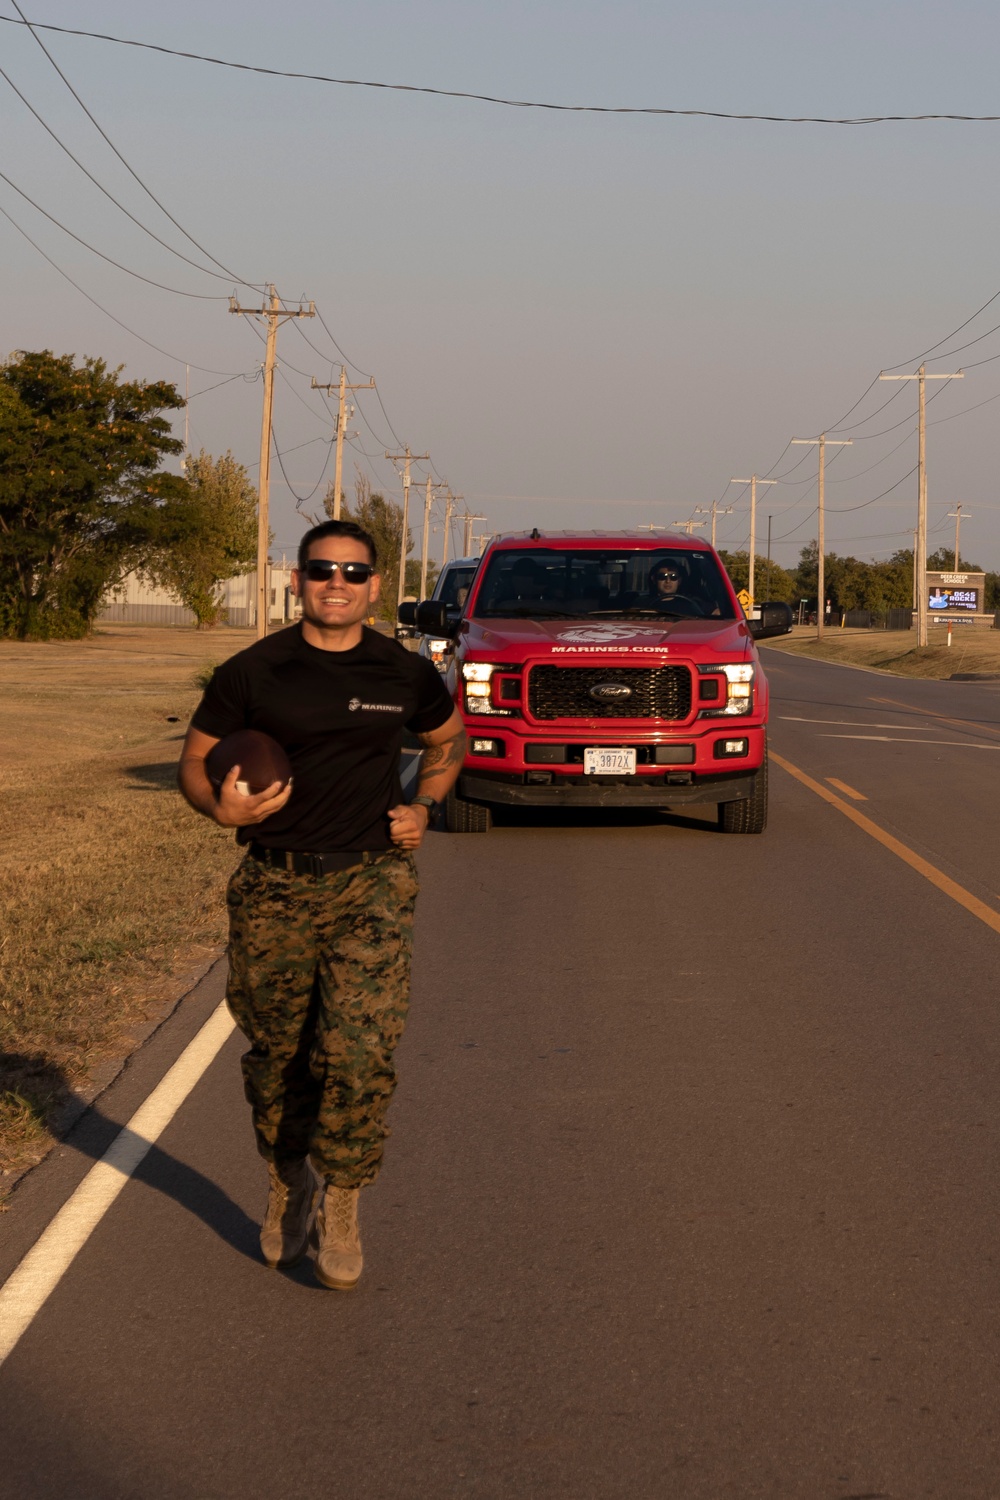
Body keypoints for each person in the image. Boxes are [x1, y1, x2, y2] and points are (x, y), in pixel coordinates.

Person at [178, 518, 466, 1291]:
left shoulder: (402, 673)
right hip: (273, 884)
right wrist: (220, 811)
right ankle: (287, 1179)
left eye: (351, 571)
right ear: (298, 579)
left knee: (358, 1049)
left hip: (369, 881)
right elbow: (196, 760)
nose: (335, 582)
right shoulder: (253, 671)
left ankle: (343, 1197)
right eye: (320, 570)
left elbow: (448, 739)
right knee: (278, 1055)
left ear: (375, 586)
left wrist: (426, 805)